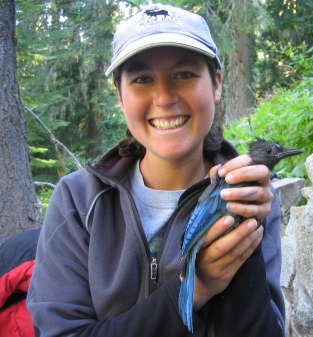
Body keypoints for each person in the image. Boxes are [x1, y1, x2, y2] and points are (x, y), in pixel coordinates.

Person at [27, 3, 285, 336]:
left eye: (184, 74)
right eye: (143, 79)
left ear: (217, 83)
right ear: (120, 96)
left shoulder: (250, 193)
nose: (164, 97)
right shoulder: (78, 201)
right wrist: (194, 287)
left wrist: (243, 237)